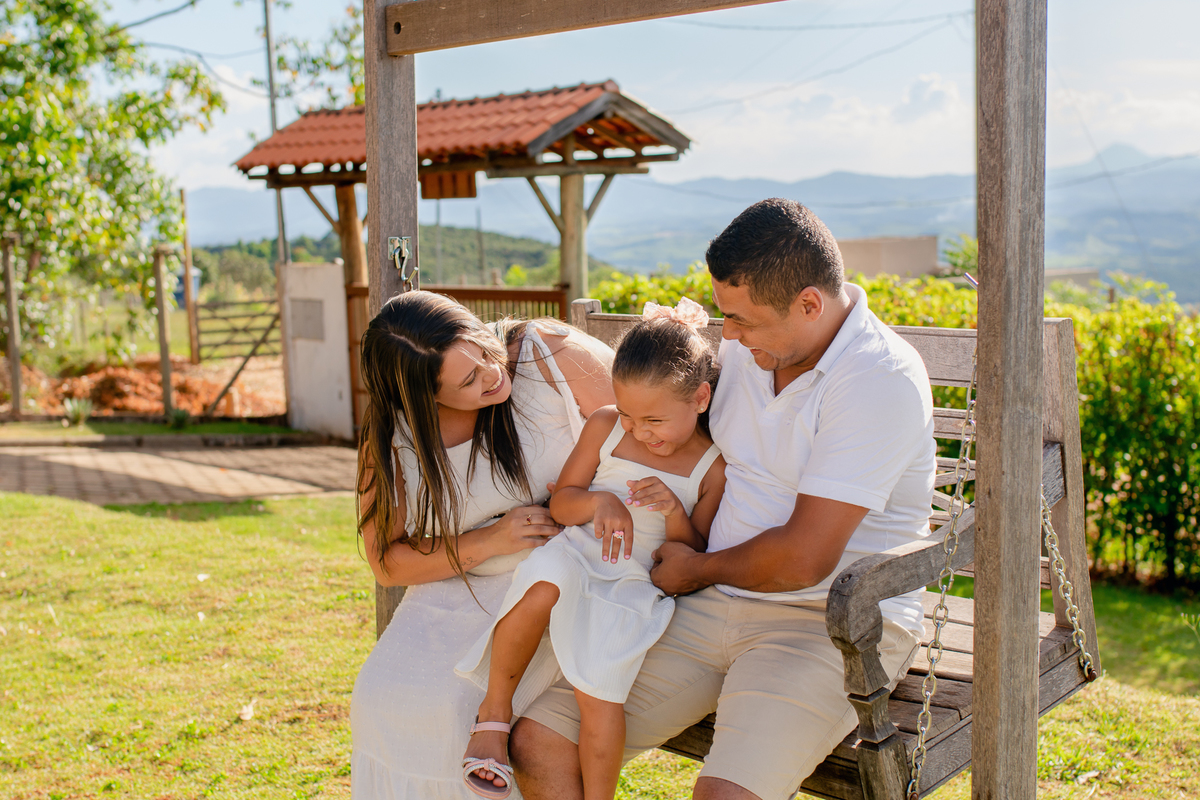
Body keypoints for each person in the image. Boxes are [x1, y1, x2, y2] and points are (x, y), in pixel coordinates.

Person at [510, 198, 937, 800]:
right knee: (539, 743)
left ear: (809, 304)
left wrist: (695, 568)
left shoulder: (877, 378)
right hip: (708, 600)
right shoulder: (752, 350)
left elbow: (805, 558)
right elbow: (667, 420)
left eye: (741, 320)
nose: (726, 335)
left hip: (825, 621)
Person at [454, 299, 727, 800]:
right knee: (544, 580)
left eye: (654, 419)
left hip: (632, 583)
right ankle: (493, 713)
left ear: (701, 398)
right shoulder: (606, 426)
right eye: (628, 414)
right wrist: (600, 501)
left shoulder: (711, 468)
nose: (639, 430)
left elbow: (692, 556)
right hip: (578, 553)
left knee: (600, 697)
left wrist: (672, 511)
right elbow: (563, 503)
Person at [349, 290, 615, 800]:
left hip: (563, 581)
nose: (491, 375)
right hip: (458, 587)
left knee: (453, 711)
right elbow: (387, 563)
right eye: (467, 382)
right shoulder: (391, 436)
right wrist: (490, 539)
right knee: (379, 696)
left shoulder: (549, 354)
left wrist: (585, 500)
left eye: (483, 352)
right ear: (425, 399)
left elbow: (651, 433)